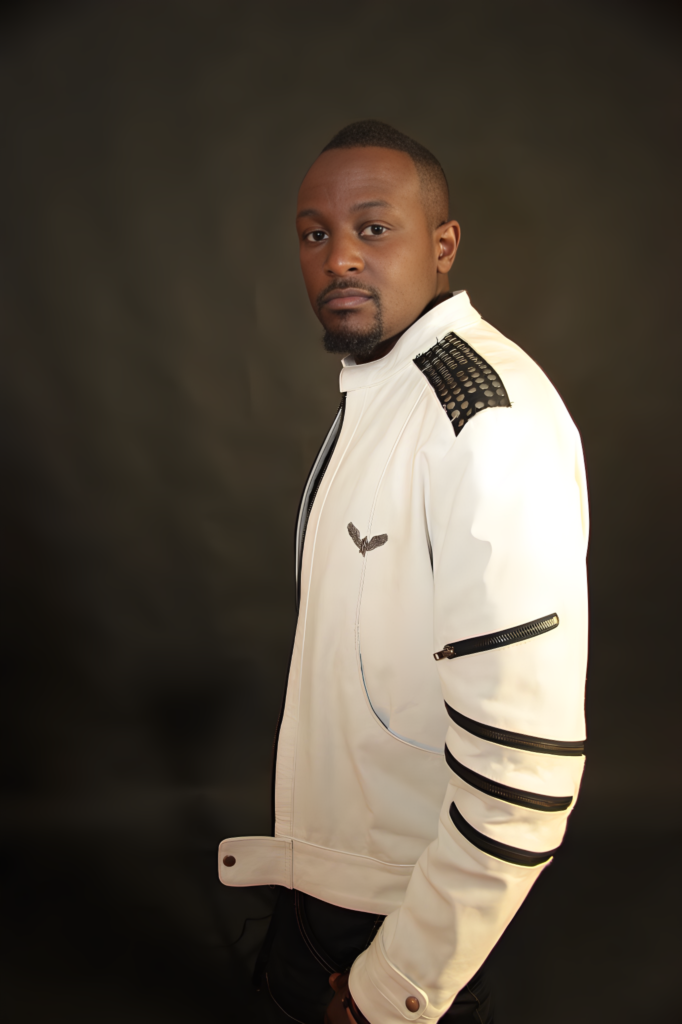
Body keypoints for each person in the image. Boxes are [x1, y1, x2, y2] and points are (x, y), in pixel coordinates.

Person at [218, 121, 588, 1024]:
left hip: (399, 921)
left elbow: (525, 775)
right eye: (315, 234)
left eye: (374, 228)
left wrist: (398, 983)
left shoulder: (484, 425)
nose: (339, 256)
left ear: (443, 245)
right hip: (331, 891)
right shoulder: (387, 389)